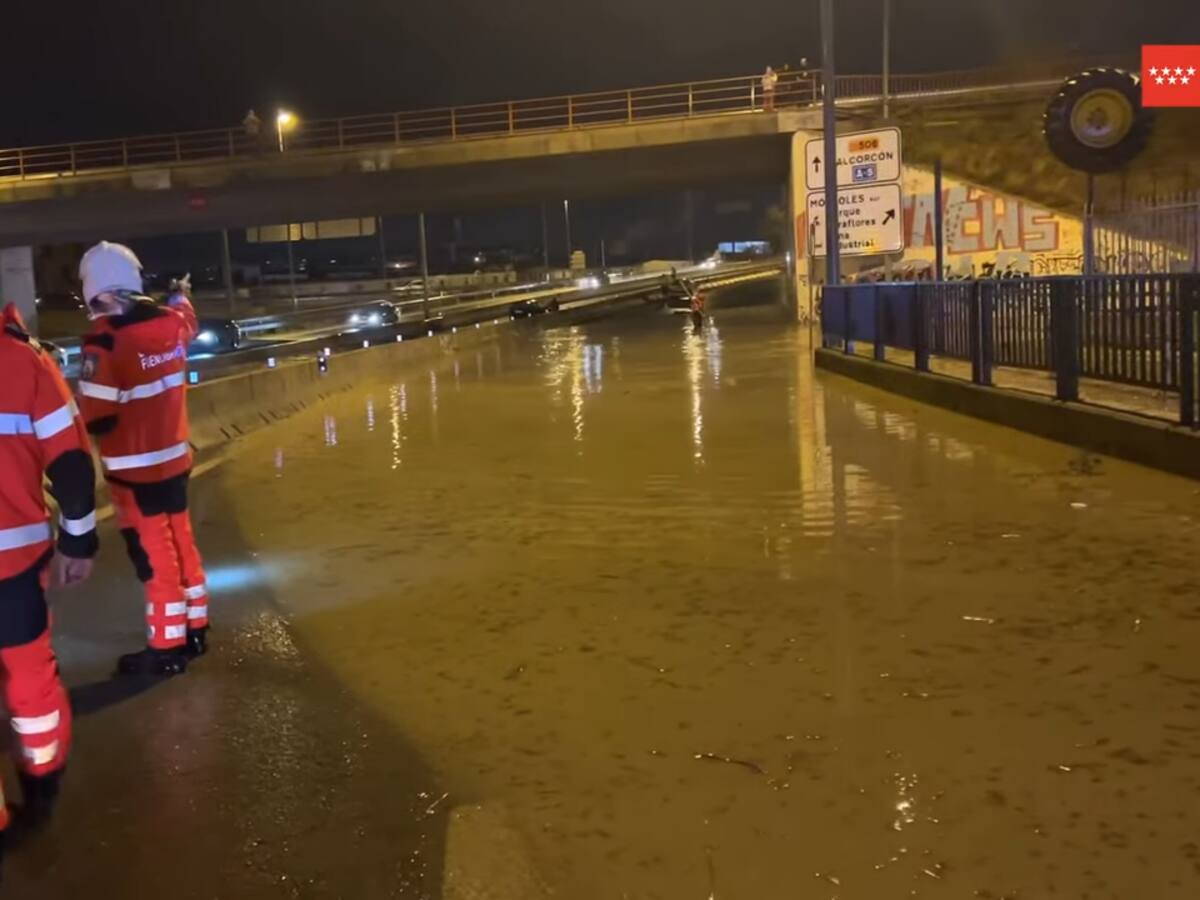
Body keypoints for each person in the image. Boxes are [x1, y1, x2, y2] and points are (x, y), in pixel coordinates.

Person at [76, 242, 210, 677]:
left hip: (135, 472)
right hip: (176, 460)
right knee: (182, 544)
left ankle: (166, 646)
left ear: (103, 293)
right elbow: (186, 316)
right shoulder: (171, 325)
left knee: (155, 558)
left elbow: (96, 418)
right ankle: (195, 628)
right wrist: (181, 294)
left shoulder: (106, 344)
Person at [0, 303, 98, 847]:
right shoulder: (24, 361)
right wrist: (78, 538)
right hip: (13, 566)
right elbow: (70, 463)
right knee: (30, 682)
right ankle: (42, 787)